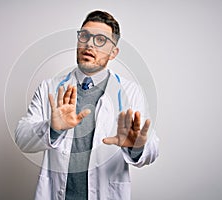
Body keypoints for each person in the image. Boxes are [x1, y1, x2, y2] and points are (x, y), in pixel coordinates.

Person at [15, 10, 159, 200]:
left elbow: (152, 149)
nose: (89, 44)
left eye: (100, 40)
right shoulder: (49, 88)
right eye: (84, 36)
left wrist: (136, 147)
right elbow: (22, 137)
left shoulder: (130, 93)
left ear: (113, 52)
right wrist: (52, 129)